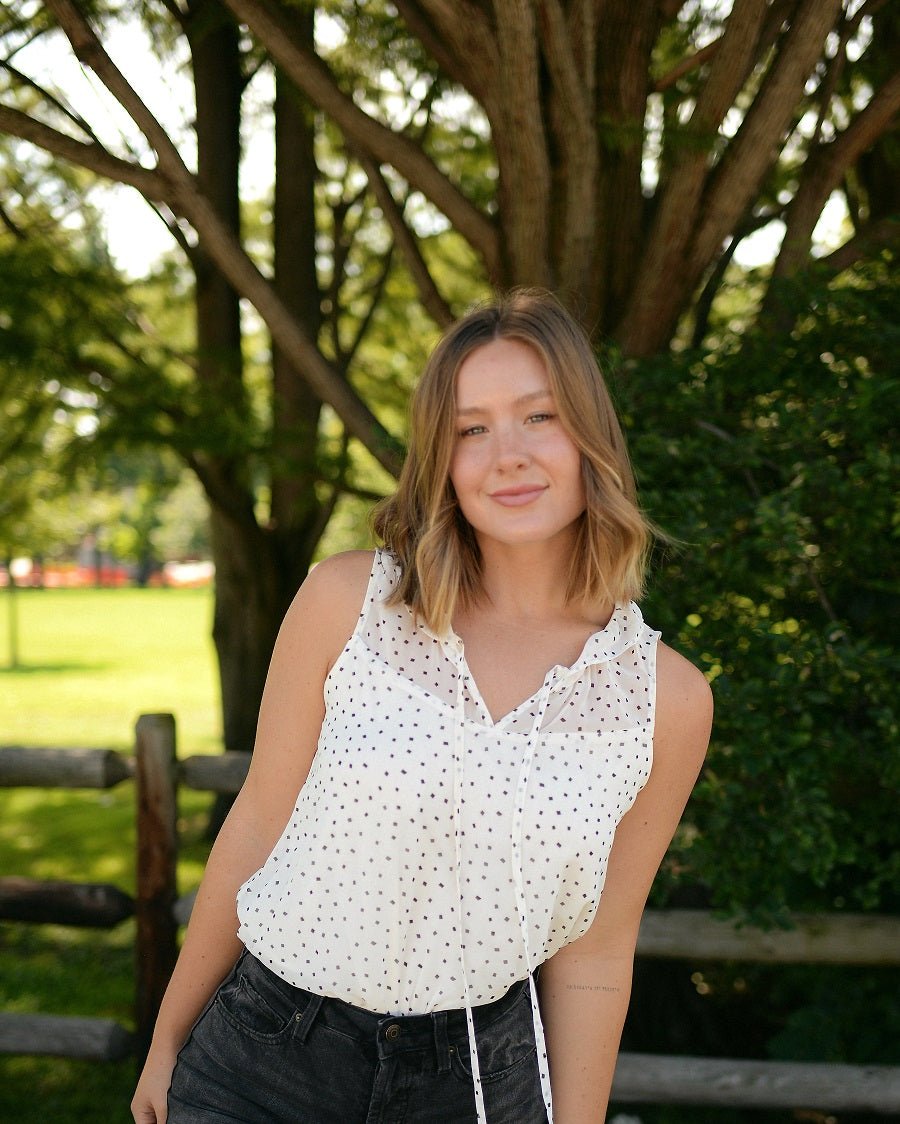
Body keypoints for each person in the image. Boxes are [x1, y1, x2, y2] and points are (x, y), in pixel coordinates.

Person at [132, 288, 712, 1124]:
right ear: (441, 460)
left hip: (476, 1080)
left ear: (592, 438)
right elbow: (258, 822)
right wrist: (167, 1037)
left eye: (538, 417)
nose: (505, 454)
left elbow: (596, 949)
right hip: (263, 1060)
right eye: (471, 430)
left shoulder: (668, 699)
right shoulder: (348, 603)